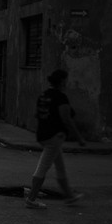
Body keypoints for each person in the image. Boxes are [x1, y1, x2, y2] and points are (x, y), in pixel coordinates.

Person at [25, 69, 86, 209]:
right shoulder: (60, 97)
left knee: (60, 167)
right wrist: (79, 137)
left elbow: (37, 115)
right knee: (43, 167)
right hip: (54, 137)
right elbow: (67, 119)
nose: (67, 82)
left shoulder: (43, 95)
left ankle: (69, 196)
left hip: (43, 135)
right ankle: (31, 199)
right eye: (66, 79)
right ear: (62, 81)